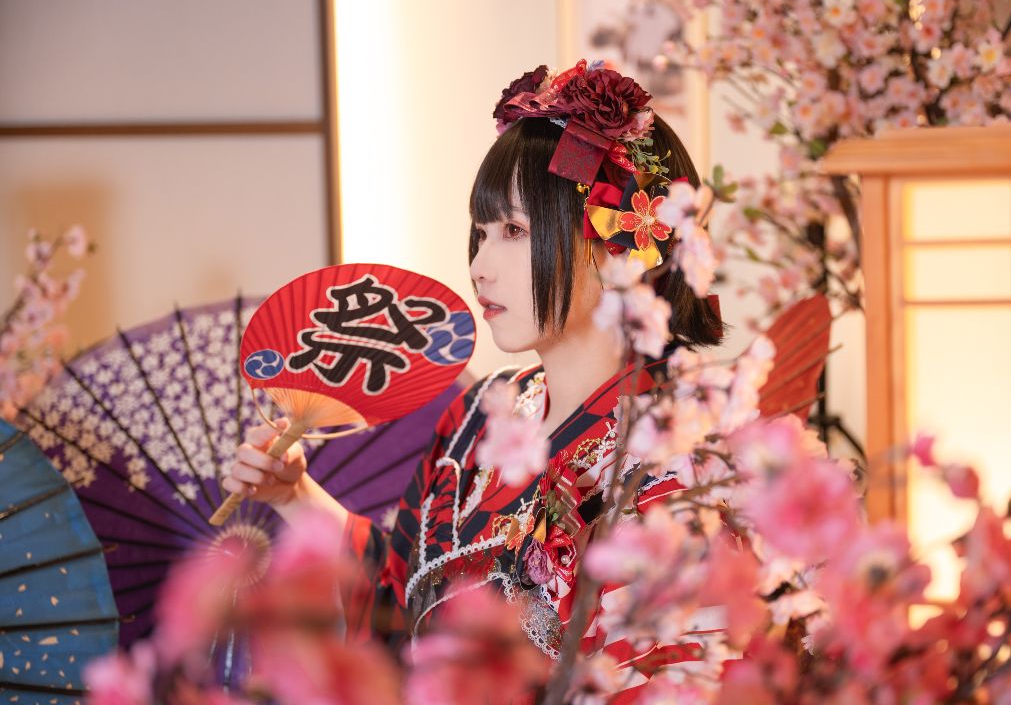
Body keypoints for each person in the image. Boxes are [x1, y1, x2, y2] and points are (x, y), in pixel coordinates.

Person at [223, 59, 723, 696]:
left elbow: (671, 673)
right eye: (480, 233)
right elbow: (405, 592)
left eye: (514, 230)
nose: (480, 265)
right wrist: (296, 496)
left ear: (618, 245)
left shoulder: (674, 457)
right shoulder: (483, 411)